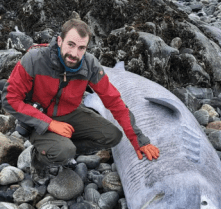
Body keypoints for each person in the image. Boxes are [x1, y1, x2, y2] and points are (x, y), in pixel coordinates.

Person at [2, 19, 159, 185]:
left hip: (69, 113)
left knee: (112, 136)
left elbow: (114, 101)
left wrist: (139, 141)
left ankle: (61, 149)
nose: (75, 54)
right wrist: (49, 124)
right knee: (64, 150)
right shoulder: (34, 60)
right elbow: (9, 99)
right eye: (70, 44)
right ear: (60, 40)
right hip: (37, 118)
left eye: (81, 48)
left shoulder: (89, 65)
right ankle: (39, 159)